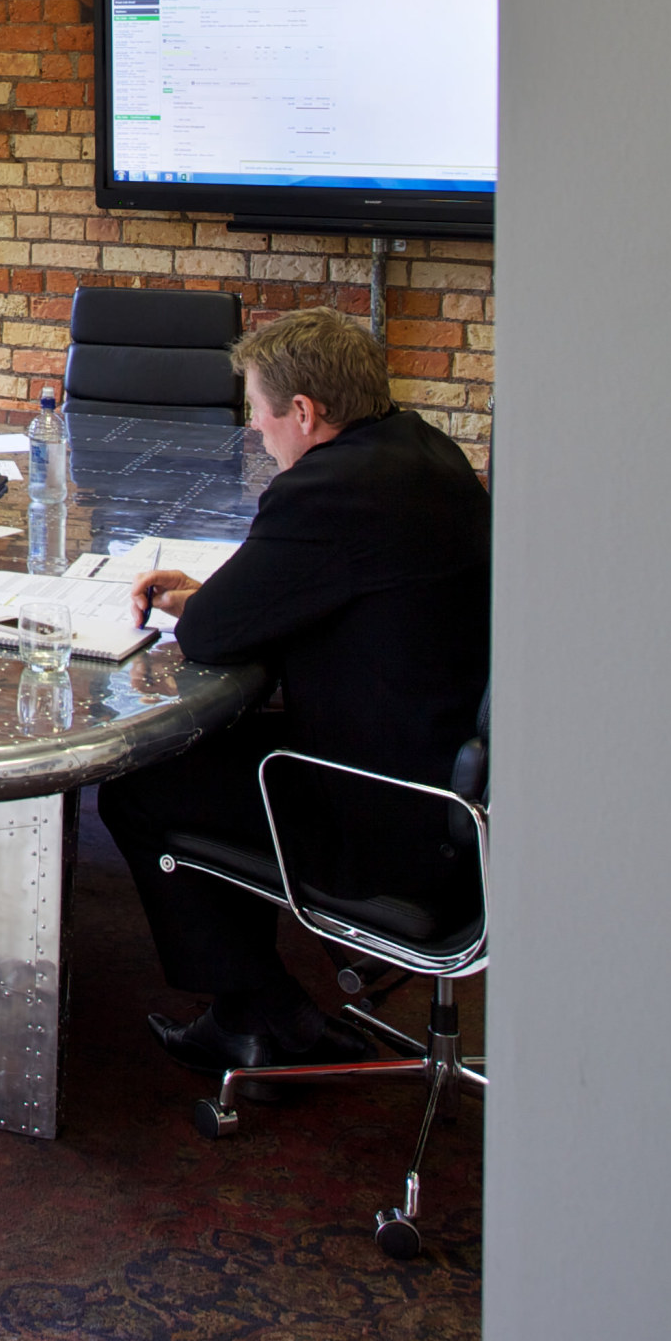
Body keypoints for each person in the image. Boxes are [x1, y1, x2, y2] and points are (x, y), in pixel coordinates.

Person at [101, 306, 491, 1079]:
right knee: (208, 755)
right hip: (446, 776)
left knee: (141, 783)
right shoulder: (421, 449)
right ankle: (266, 1013)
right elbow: (329, 586)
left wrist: (203, 606)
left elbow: (212, 637)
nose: (257, 432)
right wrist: (218, 596)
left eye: (258, 413)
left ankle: (257, 1016)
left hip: (385, 807)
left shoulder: (328, 487)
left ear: (304, 413)